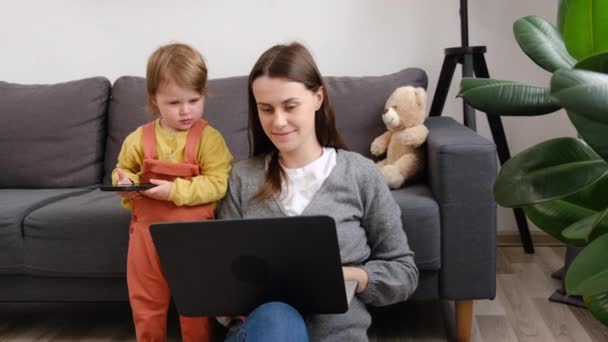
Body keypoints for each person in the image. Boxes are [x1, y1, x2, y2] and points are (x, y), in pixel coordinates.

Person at [217, 42, 418, 341]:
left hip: (339, 334)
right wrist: (227, 307)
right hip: (266, 332)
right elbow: (222, 275)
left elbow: (404, 272)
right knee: (278, 318)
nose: (278, 121)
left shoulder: (359, 174)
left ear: (318, 98)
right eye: (266, 109)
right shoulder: (243, 177)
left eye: (290, 106)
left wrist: (354, 277)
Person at [112, 43, 233, 342]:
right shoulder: (138, 138)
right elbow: (121, 170)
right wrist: (124, 182)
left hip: (194, 239)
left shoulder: (209, 139)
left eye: (194, 99)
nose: (186, 110)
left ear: (204, 93)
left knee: (195, 302)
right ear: (154, 100)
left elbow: (218, 183)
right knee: (146, 301)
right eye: (174, 102)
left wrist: (172, 191)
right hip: (146, 236)